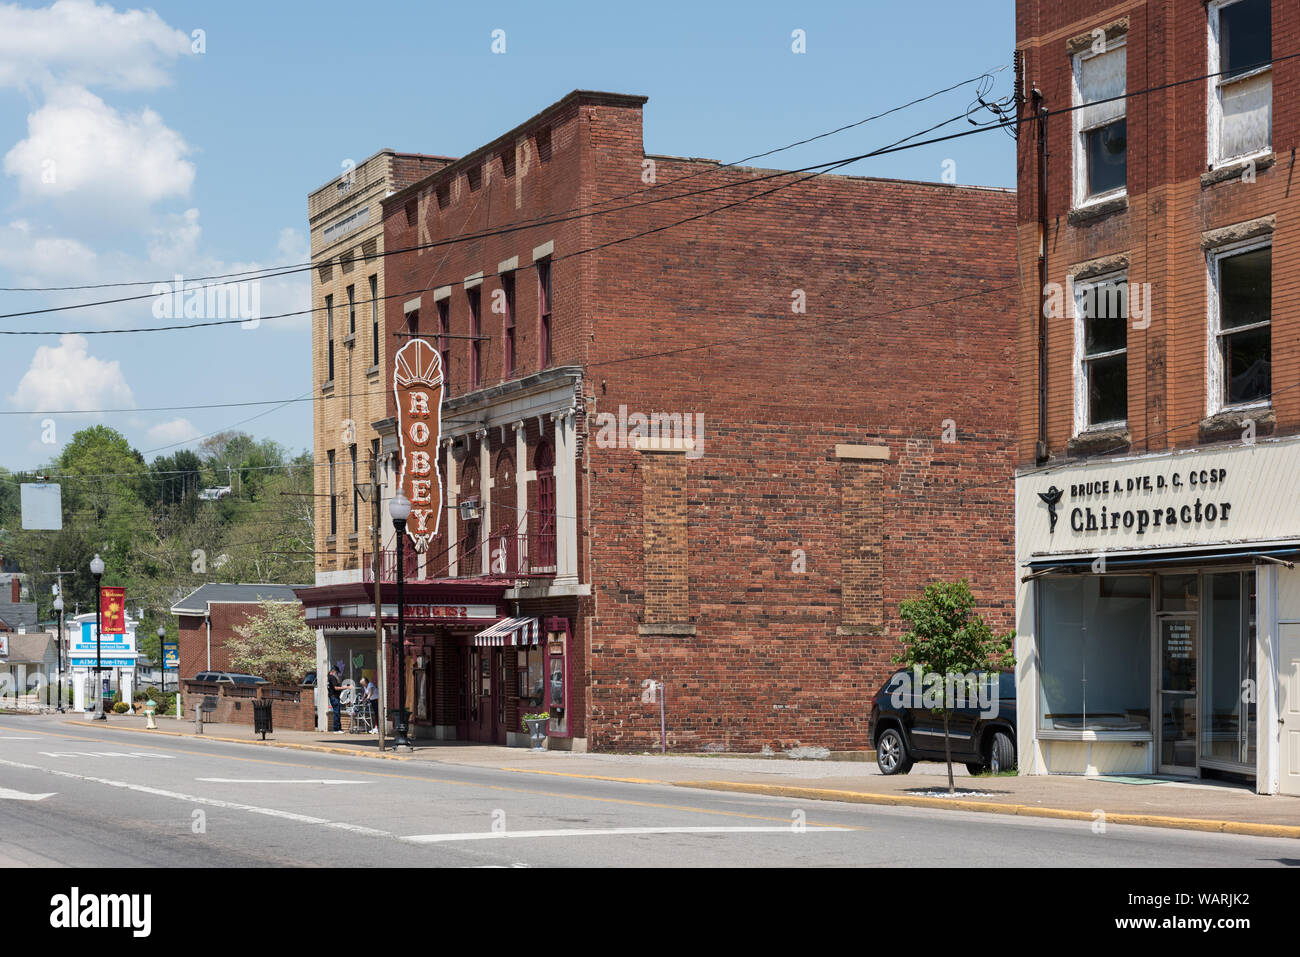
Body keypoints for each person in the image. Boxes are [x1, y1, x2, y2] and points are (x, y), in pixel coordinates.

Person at [326, 666, 343, 733]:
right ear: (334, 671)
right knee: (337, 712)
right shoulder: (332, 677)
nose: (337, 674)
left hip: (332, 696)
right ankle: (337, 729)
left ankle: (338, 728)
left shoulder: (329, 677)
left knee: (336, 712)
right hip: (334, 697)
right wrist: (345, 687)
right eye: (337, 672)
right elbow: (336, 688)